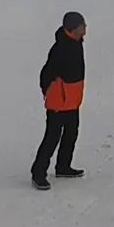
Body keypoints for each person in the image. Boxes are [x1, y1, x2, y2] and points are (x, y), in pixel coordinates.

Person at [31, 12, 87, 191]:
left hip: (72, 100)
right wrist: (50, 91)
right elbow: (46, 73)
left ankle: (63, 166)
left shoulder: (78, 42)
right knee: (52, 137)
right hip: (58, 101)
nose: (85, 28)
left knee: (71, 133)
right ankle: (38, 173)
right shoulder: (60, 48)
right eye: (82, 25)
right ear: (73, 28)